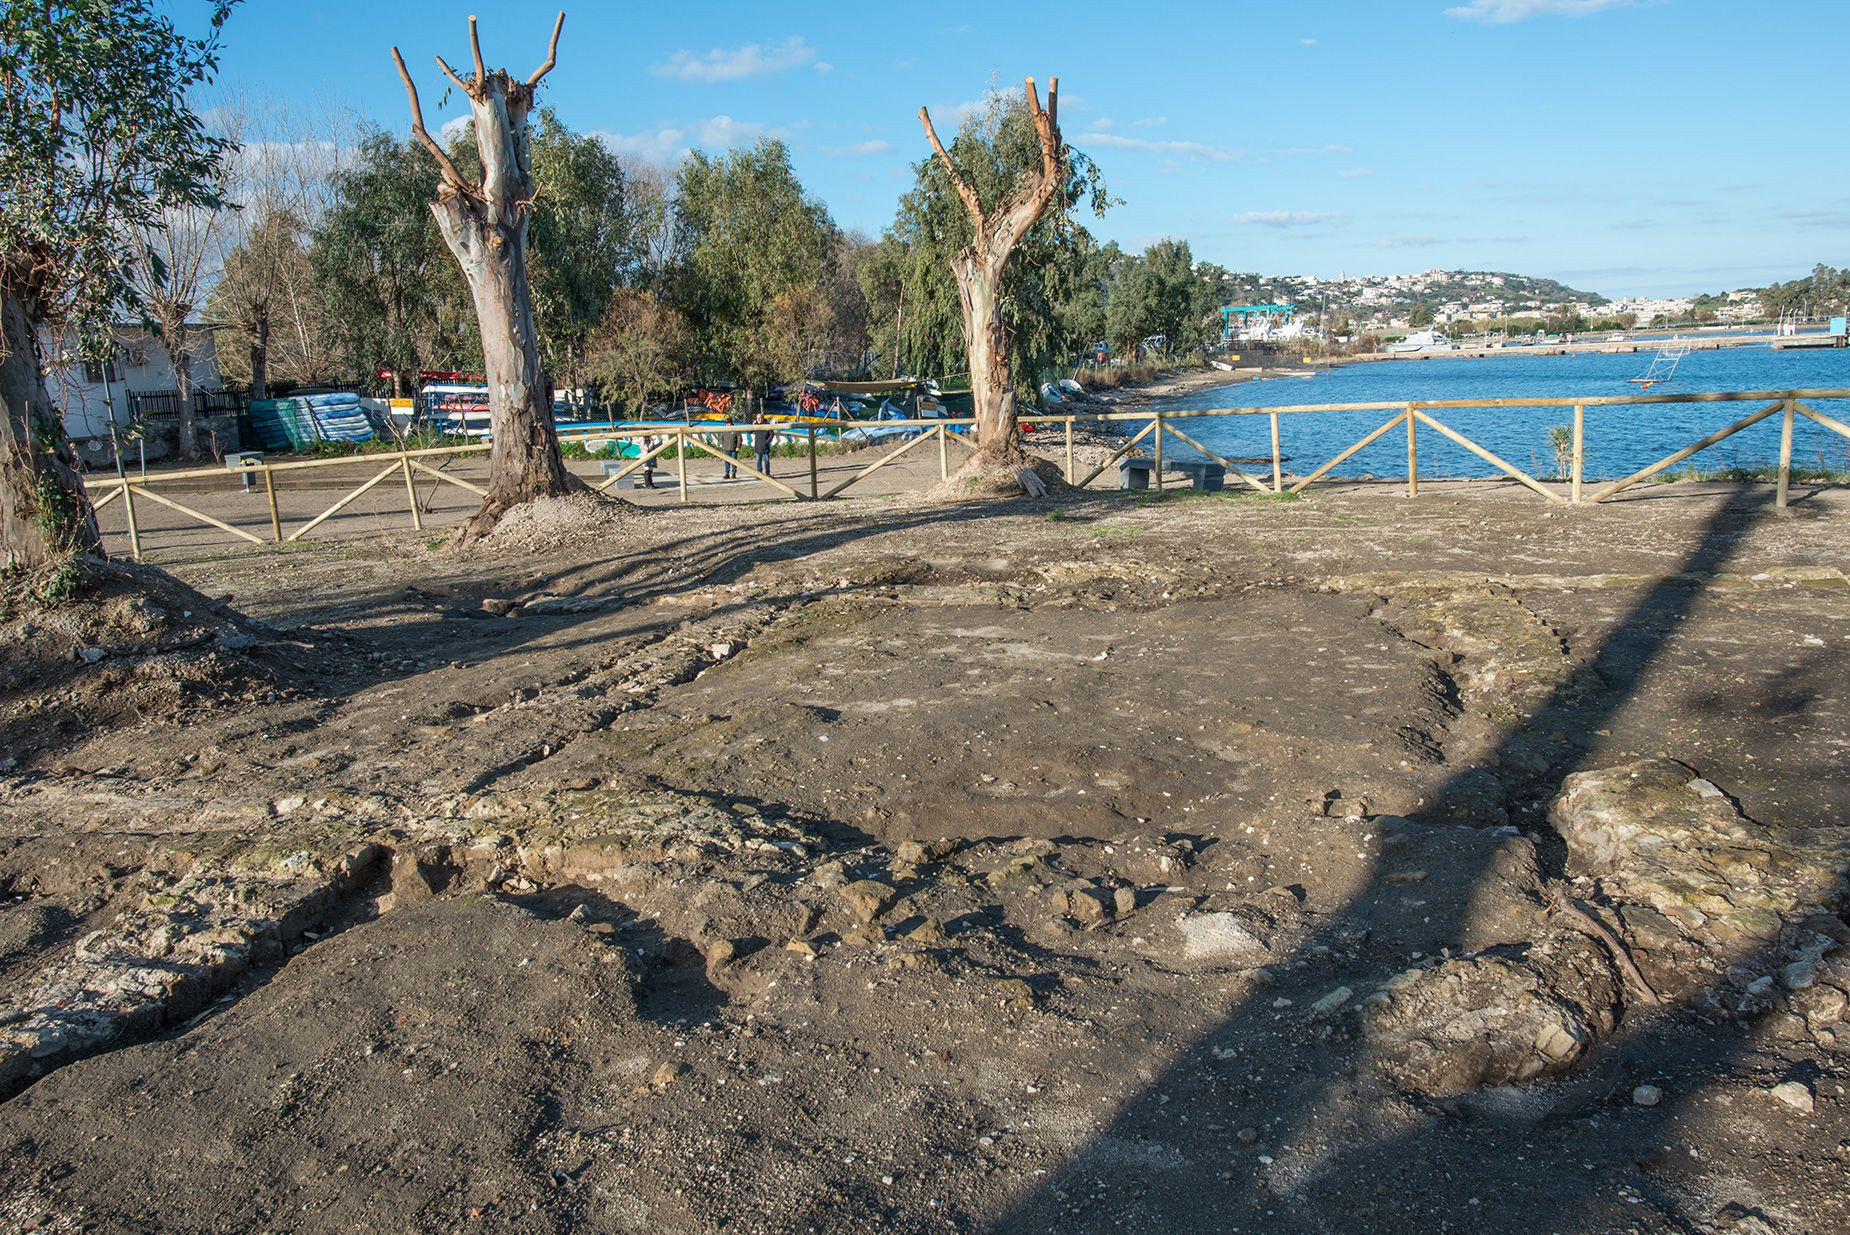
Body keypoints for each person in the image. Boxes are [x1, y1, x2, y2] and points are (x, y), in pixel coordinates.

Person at [716, 416, 740, 480]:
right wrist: (722, 444)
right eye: (727, 423)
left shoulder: (735, 429)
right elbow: (721, 438)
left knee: (734, 461)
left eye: (729, 423)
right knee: (726, 461)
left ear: (731, 423)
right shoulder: (724, 429)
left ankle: (734, 473)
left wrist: (738, 446)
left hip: (734, 448)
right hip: (726, 448)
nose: (727, 424)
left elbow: (739, 439)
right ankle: (727, 473)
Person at [750, 411, 773, 477]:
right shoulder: (755, 425)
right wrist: (753, 425)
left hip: (765, 446)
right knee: (758, 461)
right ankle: (759, 473)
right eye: (757, 418)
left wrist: (767, 442)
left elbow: (772, 434)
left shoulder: (767, 425)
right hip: (758, 446)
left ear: (763, 418)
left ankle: (767, 473)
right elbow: (749, 432)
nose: (758, 420)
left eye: (759, 418)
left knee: (766, 461)